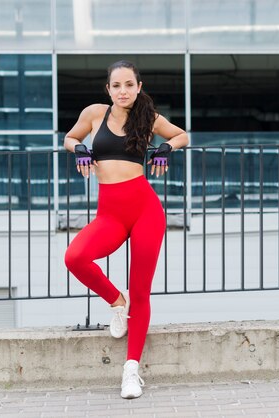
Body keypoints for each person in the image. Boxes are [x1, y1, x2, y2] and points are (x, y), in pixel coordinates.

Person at [63, 60, 188, 399]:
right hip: (111, 215)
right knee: (75, 257)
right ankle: (117, 302)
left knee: (142, 291)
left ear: (138, 86)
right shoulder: (94, 113)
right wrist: (81, 149)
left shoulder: (147, 118)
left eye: (129, 85)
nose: (123, 91)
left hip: (146, 210)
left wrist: (166, 146)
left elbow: (182, 135)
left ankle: (131, 369)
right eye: (116, 85)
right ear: (108, 89)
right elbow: (69, 138)